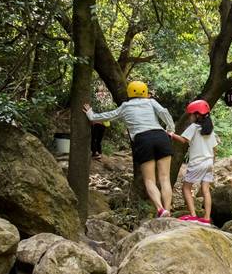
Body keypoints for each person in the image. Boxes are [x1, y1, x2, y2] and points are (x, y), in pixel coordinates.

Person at [84, 81, 177, 218]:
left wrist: (91, 115)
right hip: (160, 136)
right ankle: (168, 210)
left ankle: (160, 209)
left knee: (150, 180)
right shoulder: (151, 102)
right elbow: (164, 112)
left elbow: (108, 116)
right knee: (164, 178)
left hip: (143, 139)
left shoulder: (125, 107)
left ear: (129, 93)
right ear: (145, 92)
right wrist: (170, 129)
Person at [171, 99, 219, 224]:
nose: (191, 117)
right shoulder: (209, 130)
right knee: (205, 190)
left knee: (186, 188)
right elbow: (215, 149)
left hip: (197, 163)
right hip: (209, 162)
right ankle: (207, 218)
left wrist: (170, 134)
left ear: (197, 115)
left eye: (192, 114)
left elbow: (183, 140)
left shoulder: (194, 127)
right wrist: (212, 162)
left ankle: (193, 215)